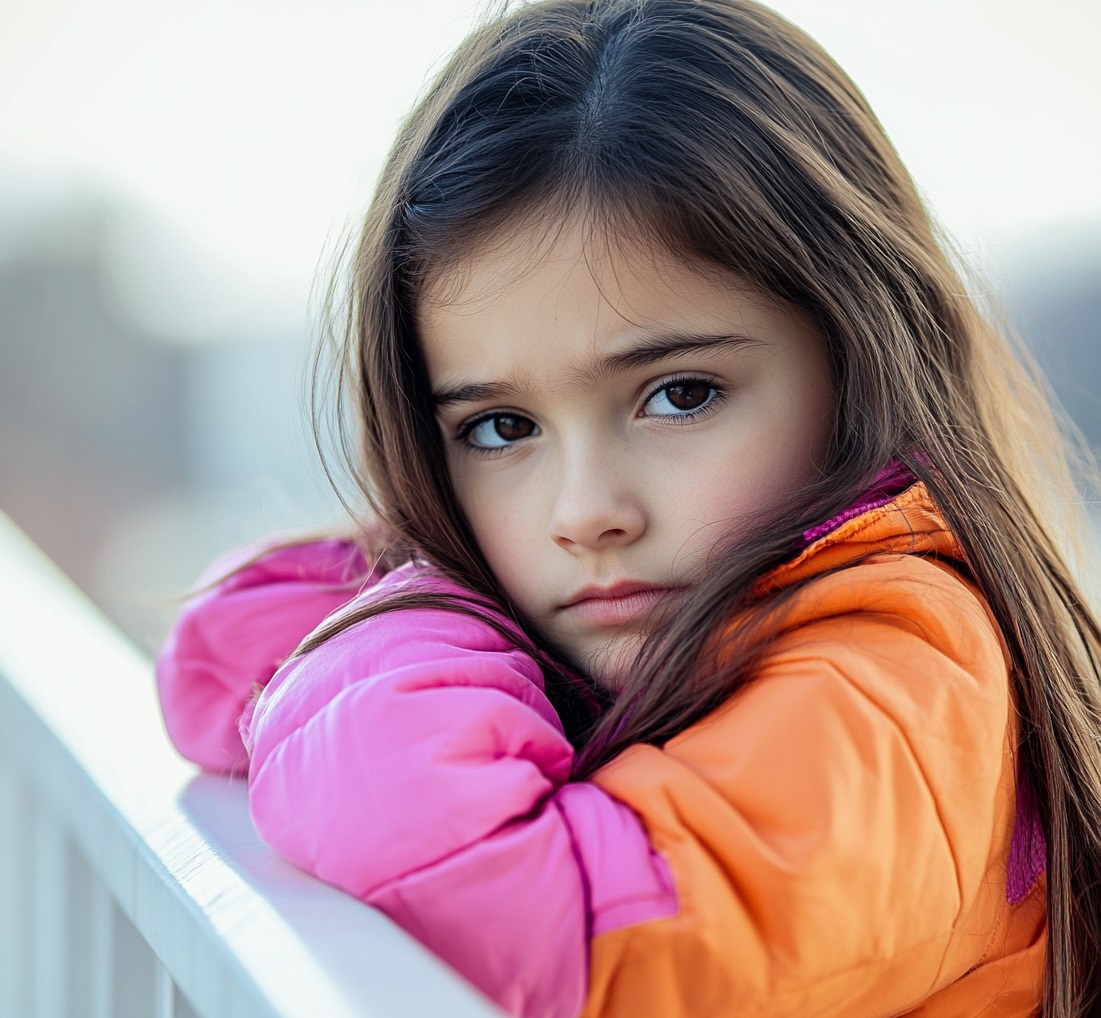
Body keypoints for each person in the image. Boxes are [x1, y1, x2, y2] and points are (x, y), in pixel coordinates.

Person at [154, 0, 1101, 1014]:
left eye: (680, 395)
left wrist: (398, 622)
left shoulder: (899, 683)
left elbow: (565, 932)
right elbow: (224, 651)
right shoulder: (631, 629)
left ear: (857, 361)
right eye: (501, 428)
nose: (586, 511)